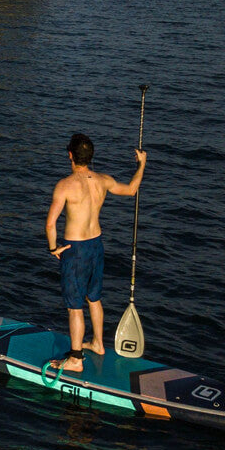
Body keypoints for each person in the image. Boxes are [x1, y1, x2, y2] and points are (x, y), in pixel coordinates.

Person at [44, 133, 146, 372]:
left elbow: (50, 224)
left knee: (74, 307)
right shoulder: (103, 180)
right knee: (94, 298)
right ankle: (98, 343)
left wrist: (52, 248)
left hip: (75, 249)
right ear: (90, 157)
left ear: (70, 155)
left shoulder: (65, 185)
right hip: (96, 245)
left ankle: (76, 359)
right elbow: (132, 190)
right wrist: (141, 164)